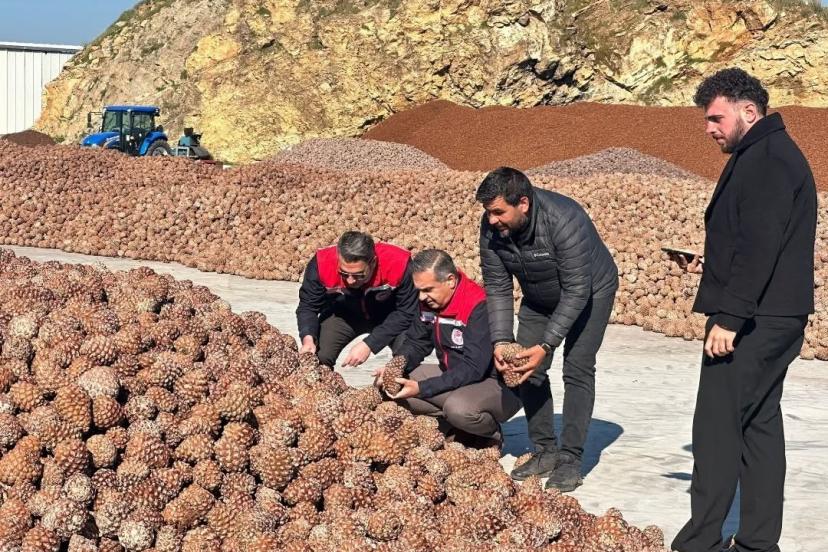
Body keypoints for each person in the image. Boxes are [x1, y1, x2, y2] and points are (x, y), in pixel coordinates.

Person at [670, 68, 817, 552]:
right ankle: (757, 542)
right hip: (773, 314)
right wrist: (710, 265)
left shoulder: (767, 160)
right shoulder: (766, 152)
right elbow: (754, 238)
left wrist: (730, 317)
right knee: (759, 426)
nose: (708, 128)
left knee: (716, 429)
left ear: (748, 111)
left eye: (716, 118)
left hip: (756, 321)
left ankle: (700, 543)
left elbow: (760, 247)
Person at [476, 167, 618, 491]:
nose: (492, 220)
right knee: (525, 367)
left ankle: (570, 460)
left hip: (591, 291)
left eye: (498, 212)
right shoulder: (491, 228)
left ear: (523, 203)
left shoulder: (564, 219)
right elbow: (497, 286)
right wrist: (501, 340)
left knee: (577, 368)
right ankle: (545, 450)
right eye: (488, 212)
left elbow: (577, 290)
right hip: (539, 296)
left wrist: (547, 345)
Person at [378, 249, 521, 449]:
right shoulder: (429, 303)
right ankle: (454, 428)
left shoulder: (478, 305)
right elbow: (417, 342)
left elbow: (473, 368)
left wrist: (423, 388)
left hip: (494, 383)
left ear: (451, 281)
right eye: (418, 290)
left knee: (458, 409)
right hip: (453, 373)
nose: (421, 297)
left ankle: (490, 433)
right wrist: (396, 365)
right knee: (389, 386)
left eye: (428, 289)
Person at [296, 231, 418, 368]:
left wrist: (370, 344)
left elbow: (407, 312)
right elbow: (308, 306)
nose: (350, 281)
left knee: (408, 354)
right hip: (344, 315)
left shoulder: (399, 263)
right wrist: (308, 338)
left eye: (359, 275)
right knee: (318, 357)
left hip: (390, 316)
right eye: (343, 273)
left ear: (373, 262)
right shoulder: (321, 263)